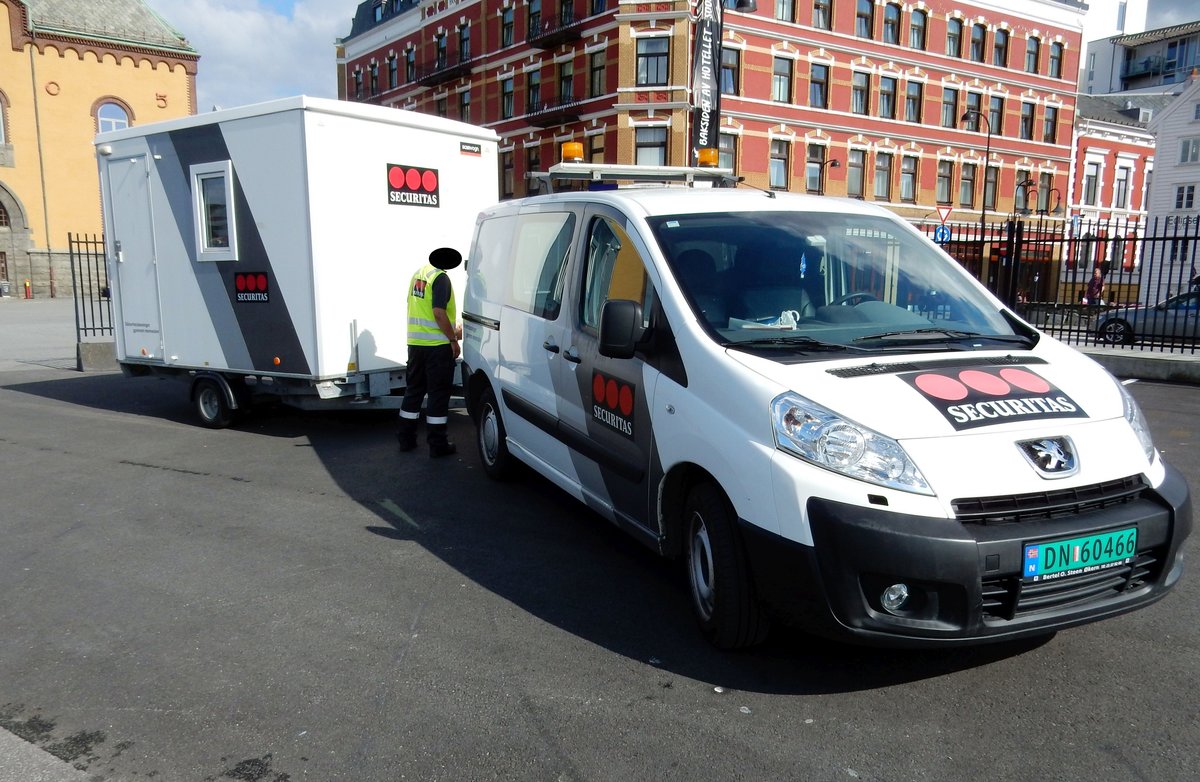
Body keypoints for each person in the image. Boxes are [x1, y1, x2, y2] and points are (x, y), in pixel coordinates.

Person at [397, 247, 463, 457]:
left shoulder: (419, 275)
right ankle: (437, 444)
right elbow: (438, 312)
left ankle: (406, 439)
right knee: (438, 394)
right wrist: (453, 339)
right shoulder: (440, 278)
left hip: (415, 344)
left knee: (413, 391)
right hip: (437, 346)